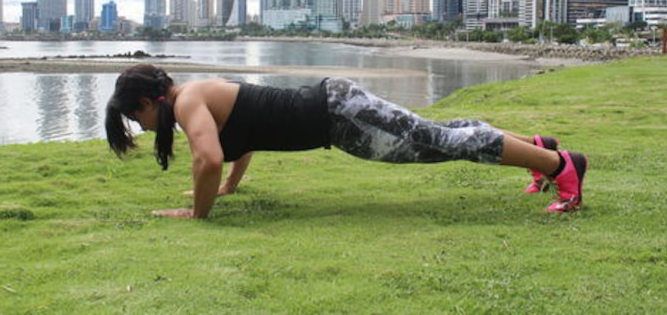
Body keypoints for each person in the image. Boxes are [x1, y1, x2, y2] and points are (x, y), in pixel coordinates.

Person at [105, 64, 587, 219]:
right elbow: (243, 139)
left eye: (136, 116)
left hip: (339, 117)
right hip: (336, 112)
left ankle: (560, 166)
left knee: (441, 141)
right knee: (441, 136)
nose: (142, 126)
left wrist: (199, 213)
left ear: (152, 99)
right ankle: (537, 148)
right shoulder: (196, 99)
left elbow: (207, 159)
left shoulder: (188, 101)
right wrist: (230, 188)